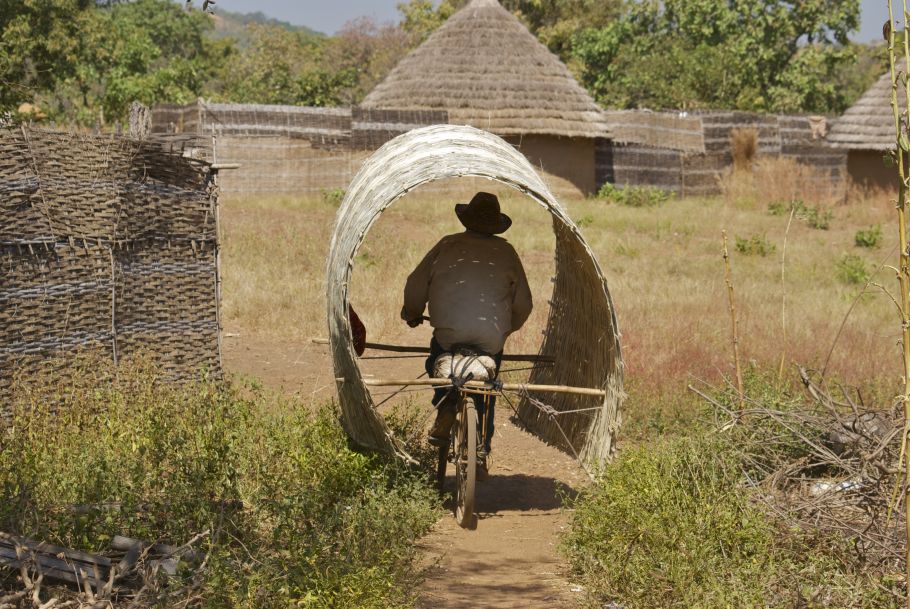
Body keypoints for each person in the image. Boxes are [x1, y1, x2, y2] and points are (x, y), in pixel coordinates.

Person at [400, 192, 532, 468]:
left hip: (449, 336)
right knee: (488, 385)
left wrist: (412, 312)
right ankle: (481, 443)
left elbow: (416, 284)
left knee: (436, 361)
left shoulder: (447, 245)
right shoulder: (507, 252)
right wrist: (504, 332)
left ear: (467, 219)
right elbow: (524, 304)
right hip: (490, 340)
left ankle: (445, 404)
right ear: (496, 224)